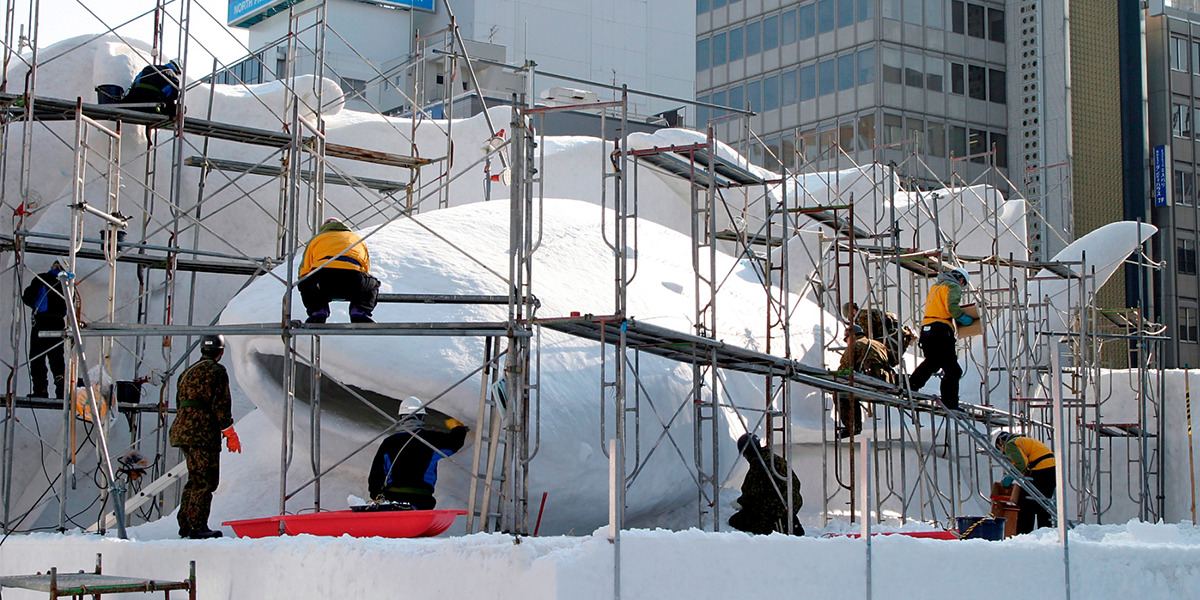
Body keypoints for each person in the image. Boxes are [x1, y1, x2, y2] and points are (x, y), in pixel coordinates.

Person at [169, 334, 240, 539]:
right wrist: (229, 433)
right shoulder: (217, 371)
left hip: (182, 431)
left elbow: (180, 401)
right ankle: (197, 526)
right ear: (221, 351)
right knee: (205, 481)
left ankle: (186, 524)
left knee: (194, 478)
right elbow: (221, 405)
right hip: (202, 434)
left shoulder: (187, 372)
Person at [368, 397, 469, 510]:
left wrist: (376, 496)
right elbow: (454, 443)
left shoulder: (389, 442)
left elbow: (376, 474)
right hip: (421, 500)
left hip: (393, 499)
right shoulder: (430, 439)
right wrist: (458, 428)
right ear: (421, 417)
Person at [907, 267, 973, 410]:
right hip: (941, 330)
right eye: (963, 283)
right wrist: (963, 317)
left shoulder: (936, 287)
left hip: (927, 329)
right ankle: (950, 403)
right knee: (954, 370)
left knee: (933, 362)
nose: (962, 286)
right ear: (961, 279)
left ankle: (912, 384)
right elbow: (952, 307)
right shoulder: (953, 286)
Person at [298, 217, 380, 324]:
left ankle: (318, 311)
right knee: (372, 284)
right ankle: (359, 311)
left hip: (323, 282)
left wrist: (308, 286)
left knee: (305, 282)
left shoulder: (317, 239)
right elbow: (365, 268)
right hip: (352, 281)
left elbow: (304, 270)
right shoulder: (356, 239)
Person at [728, 433, 804, 535]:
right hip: (792, 503)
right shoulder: (774, 458)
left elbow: (751, 492)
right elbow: (796, 482)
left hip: (777, 507)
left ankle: (776, 525)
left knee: (736, 521)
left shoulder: (758, 464)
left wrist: (740, 502)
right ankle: (787, 520)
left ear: (746, 453)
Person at [835, 325, 895, 439]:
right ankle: (854, 426)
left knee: (842, 393)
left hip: (871, 378)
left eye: (846, 338)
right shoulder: (878, 344)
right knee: (851, 391)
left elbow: (845, 366)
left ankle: (852, 426)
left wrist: (835, 376)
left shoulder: (855, 345)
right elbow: (893, 360)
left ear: (853, 336)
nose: (846, 342)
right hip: (885, 379)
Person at [993, 431, 1056, 534]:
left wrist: (1010, 476)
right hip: (1051, 469)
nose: (1003, 453)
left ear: (1001, 443)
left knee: (1025, 503)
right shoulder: (1022, 441)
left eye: (999, 449)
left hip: (1041, 469)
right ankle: (1045, 533)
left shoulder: (1010, 444)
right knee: (1043, 505)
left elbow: (1021, 463)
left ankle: (1024, 534)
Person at [21, 261, 67, 398]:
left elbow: (27, 296)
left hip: (42, 321)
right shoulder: (67, 283)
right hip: (59, 322)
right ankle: (61, 390)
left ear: (53, 267)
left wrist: (35, 306)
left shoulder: (41, 278)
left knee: (37, 357)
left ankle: (40, 390)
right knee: (57, 358)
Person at [841, 301, 916, 367]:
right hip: (900, 337)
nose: (852, 321)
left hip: (893, 341)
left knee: (880, 360)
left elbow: (865, 341)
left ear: (854, 311)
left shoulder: (862, 317)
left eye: (850, 318)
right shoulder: (868, 312)